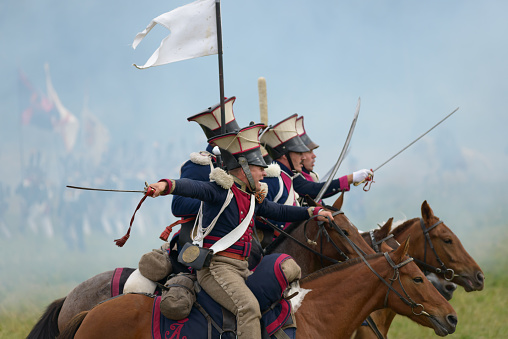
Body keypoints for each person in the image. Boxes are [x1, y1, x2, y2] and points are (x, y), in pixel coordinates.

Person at [147, 124, 333, 339]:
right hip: (217, 269)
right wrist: (164, 186)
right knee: (248, 309)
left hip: (242, 268)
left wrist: (311, 211)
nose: (264, 172)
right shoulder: (219, 191)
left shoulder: (251, 197)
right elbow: (191, 187)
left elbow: (279, 210)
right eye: (259, 167)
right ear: (244, 168)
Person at [259, 114, 372, 229]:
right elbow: (266, 216)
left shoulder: (288, 177)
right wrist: (350, 178)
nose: (303, 157)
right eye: (299, 153)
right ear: (284, 155)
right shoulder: (273, 180)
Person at [164, 96, 240, 248]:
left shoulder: (235, 166)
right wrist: (215, 202)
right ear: (214, 143)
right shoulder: (200, 165)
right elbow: (178, 205)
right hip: (199, 238)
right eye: (230, 140)